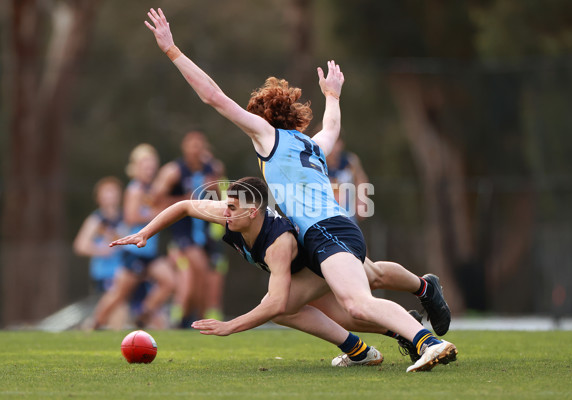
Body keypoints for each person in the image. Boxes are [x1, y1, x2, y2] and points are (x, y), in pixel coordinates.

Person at [144, 8, 455, 372]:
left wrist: (173, 51)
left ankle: (428, 341)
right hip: (326, 232)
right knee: (293, 304)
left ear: (261, 118)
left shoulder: (267, 137)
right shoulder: (311, 145)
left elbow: (213, 96)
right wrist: (332, 96)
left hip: (325, 229)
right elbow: (332, 128)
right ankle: (417, 299)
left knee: (356, 302)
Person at [112, 177, 453, 367]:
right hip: (314, 262)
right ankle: (396, 324)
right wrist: (145, 232)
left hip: (319, 261)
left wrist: (231, 326)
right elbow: (185, 205)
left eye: (233, 208)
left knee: (298, 305)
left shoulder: (278, 244)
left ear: (255, 212)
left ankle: (417, 302)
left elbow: (275, 303)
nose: (224, 214)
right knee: (362, 292)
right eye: (225, 206)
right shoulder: (232, 214)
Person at [91, 144, 176, 329]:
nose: (149, 168)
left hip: (148, 252)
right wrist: (158, 214)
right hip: (134, 252)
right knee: (119, 295)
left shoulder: (149, 190)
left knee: (169, 281)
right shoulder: (135, 188)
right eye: (145, 163)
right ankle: (94, 325)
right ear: (136, 166)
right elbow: (131, 217)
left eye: (152, 164)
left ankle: (142, 316)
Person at [151, 131, 227, 326]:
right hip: (183, 234)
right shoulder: (174, 171)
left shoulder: (213, 170)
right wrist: (184, 200)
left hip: (207, 234)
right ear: (184, 148)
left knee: (203, 281)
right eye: (192, 145)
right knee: (198, 270)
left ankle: (190, 318)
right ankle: (195, 318)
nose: (196, 150)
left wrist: (215, 188)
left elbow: (225, 200)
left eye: (200, 145)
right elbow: (155, 202)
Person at [73, 176, 129, 329]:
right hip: (104, 273)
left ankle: (92, 328)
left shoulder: (126, 217)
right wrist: (100, 250)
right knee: (117, 309)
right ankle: (91, 328)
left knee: (118, 312)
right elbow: (80, 245)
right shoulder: (96, 220)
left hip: (124, 272)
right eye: (106, 192)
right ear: (99, 197)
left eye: (114, 191)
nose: (110, 196)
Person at [325, 137, 370, 221]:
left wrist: (361, 201)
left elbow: (361, 181)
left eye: (336, 143)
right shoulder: (317, 164)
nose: (334, 147)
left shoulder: (350, 161)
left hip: (348, 213)